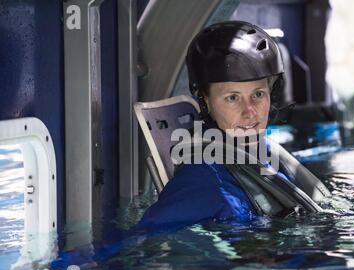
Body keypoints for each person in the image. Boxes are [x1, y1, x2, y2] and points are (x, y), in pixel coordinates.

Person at [134, 21, 331, 234]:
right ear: (205, 99)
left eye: (258, 94)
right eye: (232, 98)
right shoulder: (205, 185)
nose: (250, 111)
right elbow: (142, 241)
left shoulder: (263, 154)